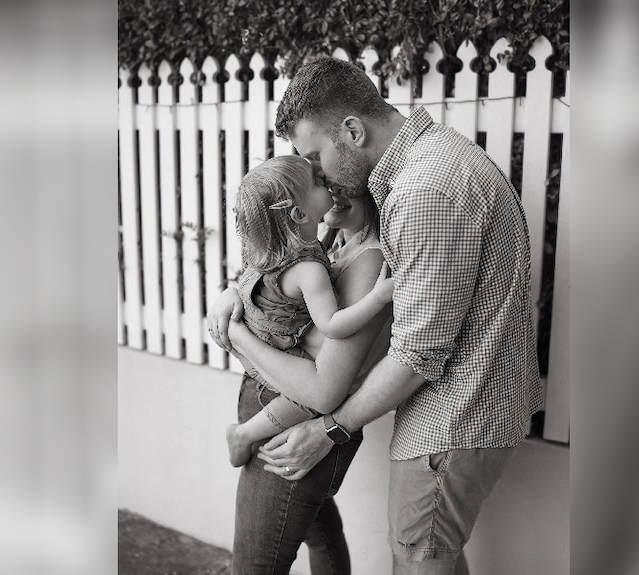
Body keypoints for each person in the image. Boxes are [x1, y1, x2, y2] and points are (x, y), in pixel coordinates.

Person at [210, 57, 544, 574]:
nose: (315, 173)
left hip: (454, 416)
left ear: (352, 129)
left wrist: (332, 430)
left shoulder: (424, 191)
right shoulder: (419, 171)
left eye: (315, 156)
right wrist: (240, 290)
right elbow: (289, 258)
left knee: (416, 562)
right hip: (457, 411)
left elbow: (418, 353)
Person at [208, 184, 393, 574]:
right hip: (275, 403)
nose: (329, 194)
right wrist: (232, 293)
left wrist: (236, 333)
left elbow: (324, 389)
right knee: (320, 533)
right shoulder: (329, 240)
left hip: (298, 424)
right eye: (323, 185)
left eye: (344, 187)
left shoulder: (370, 260)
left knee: (256, 563)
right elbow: (269, 282)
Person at [223, 155, 393, 467]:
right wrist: (377, 298)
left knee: (309, 517)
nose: (328, 184)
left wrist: (235, 322)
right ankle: (244, 434)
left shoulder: (289, 250)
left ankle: (244, 434)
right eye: (319, 182)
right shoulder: (312, 260)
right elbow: (331, 325)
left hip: (264, 372)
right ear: (300, 212)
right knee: (305, 405)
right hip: (275, 383)